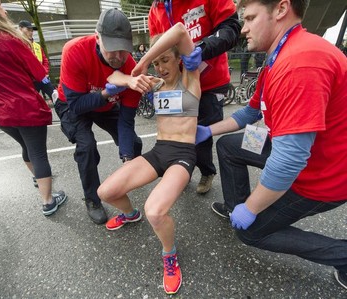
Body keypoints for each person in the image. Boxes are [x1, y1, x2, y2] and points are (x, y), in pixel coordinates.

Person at [196, 0, 347, 289]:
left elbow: (290, 160)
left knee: (252, 232)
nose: (243, 29)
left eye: (251, 18)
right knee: (228, 147)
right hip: (301, 149)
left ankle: (343, 256)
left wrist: (252, 208)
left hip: (323, 175)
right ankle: (233, 208)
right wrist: (207, 130)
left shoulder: (300, 62)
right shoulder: (279, 56)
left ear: (281, 9)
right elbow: (250, 113)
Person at [98, 22, 201, 294]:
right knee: (105, 191)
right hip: (158, 151)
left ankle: (169, 254)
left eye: (165, 59)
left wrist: (142, 61)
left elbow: (179, 29)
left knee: (155, 211)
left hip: (182, 155)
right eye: (156, 63)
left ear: (179, 60)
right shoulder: (155, 84)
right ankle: (129, 214)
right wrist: (132, 79)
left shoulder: (190, 78)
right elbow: (112, 78)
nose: (160, 67)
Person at [54, 8, 152, 225]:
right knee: (87, 147)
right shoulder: (75, 50)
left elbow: (126, 121)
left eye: (123, 50)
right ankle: (93, 199)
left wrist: (127, 159)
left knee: (133, 144)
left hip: (106, 105)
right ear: (97, 38)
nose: (118, 57)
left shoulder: (130, 70)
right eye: (112, 49)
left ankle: (131, 174)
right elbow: (77, 105)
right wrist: (107, 92)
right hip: (74, 104)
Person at [0, 0, 67, 215]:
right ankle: (48, 201)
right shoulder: (6, 38)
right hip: (24, 108)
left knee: (25, 147)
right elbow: (38, 72)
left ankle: (38, 179)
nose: (3, 9)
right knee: (38, 152)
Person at [148, 0, 241, 194]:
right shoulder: (156, 9)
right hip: (177, 86)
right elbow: (156, 45)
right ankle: (182, 170)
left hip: (210, 82)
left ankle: (207, 171)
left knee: (200, 137)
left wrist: (203, 48)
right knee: (177, 133)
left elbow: (231, 28)